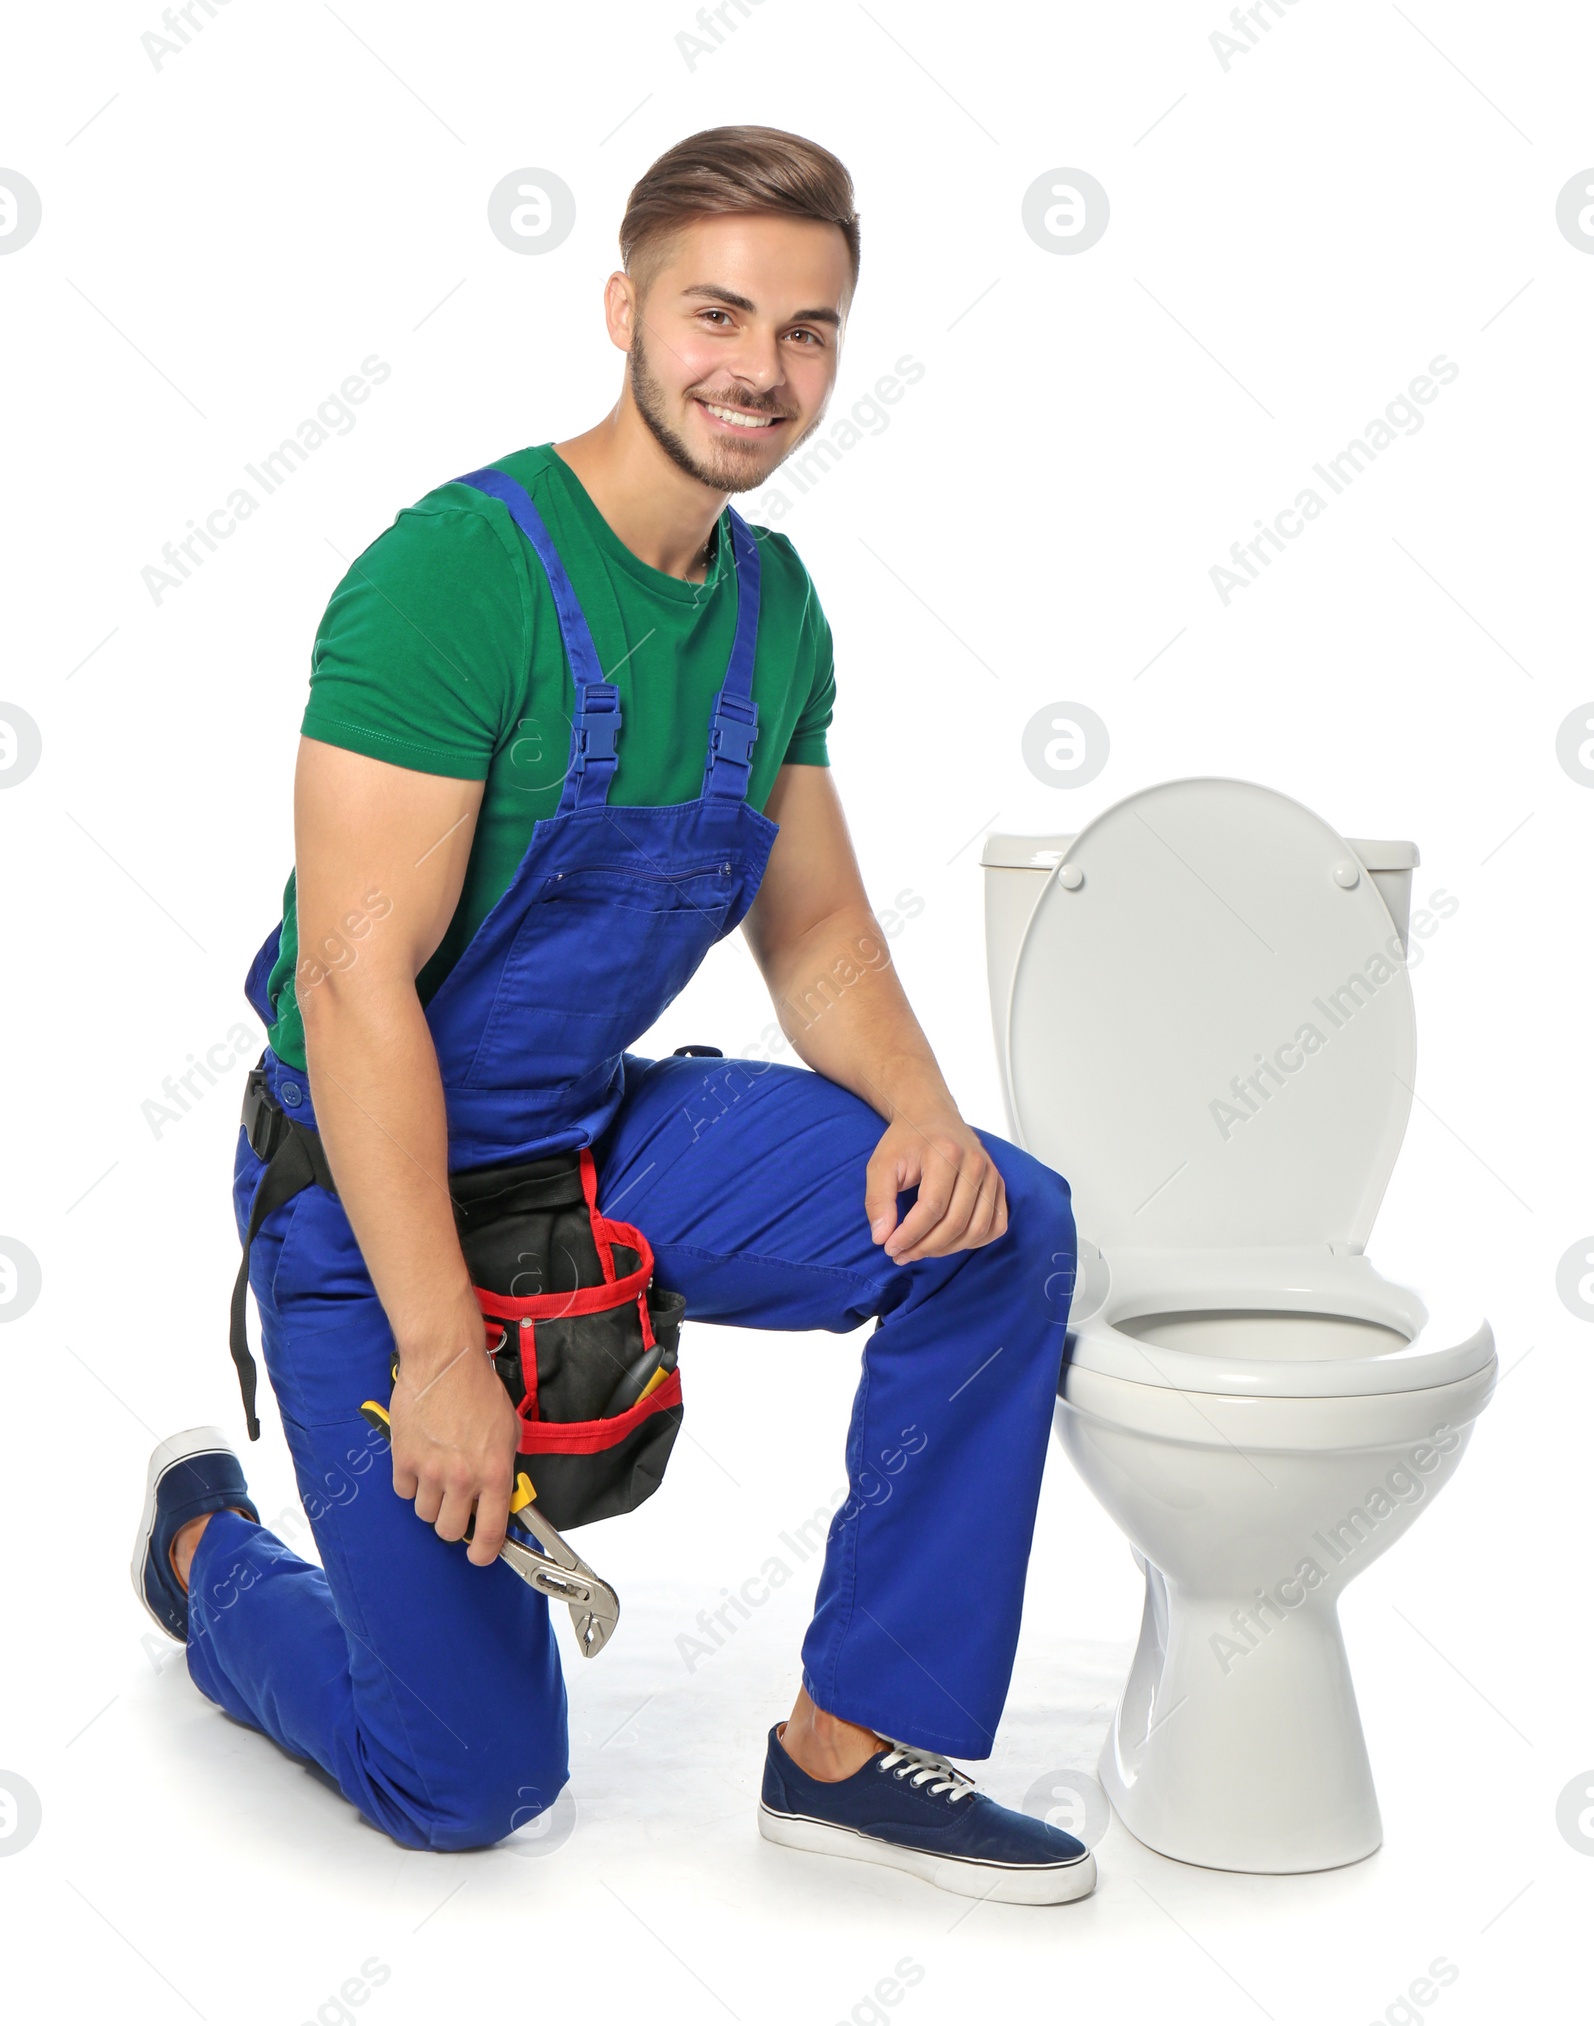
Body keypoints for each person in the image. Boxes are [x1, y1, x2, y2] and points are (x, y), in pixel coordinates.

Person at [131, 125, 1093, 1905]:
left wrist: (932, 1115)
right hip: (370, 1198)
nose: (761, 368)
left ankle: (848, 1745)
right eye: (720, 314)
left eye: (807, 331)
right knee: (471, 1784)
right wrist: (439, 1356)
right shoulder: (456, 575)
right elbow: (352, 992)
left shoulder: (773, 607)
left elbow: (814, 937)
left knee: (1004, 1225)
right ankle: (210, 1552)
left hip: (590, 1139)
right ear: (624, 309)